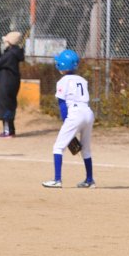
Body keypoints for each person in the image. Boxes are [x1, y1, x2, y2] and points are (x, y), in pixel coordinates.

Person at [41, 49, 95, 189]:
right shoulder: (82, 80)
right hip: (88, 112)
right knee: (86, 149)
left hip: (75, 114)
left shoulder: (62, 81)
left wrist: (66, 122)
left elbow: (62, 105)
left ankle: (57, 180)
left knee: (58, 147)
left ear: (62, 65)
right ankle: (90, 180)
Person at [0, 31, 24, 138]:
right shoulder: (12, 52)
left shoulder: (11, 54)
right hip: (10, 82)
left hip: (7, 83)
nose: (5, 43)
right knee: (8, 105)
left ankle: (8, 131)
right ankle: (9, 130)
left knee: (6, 106)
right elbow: (2, 61)